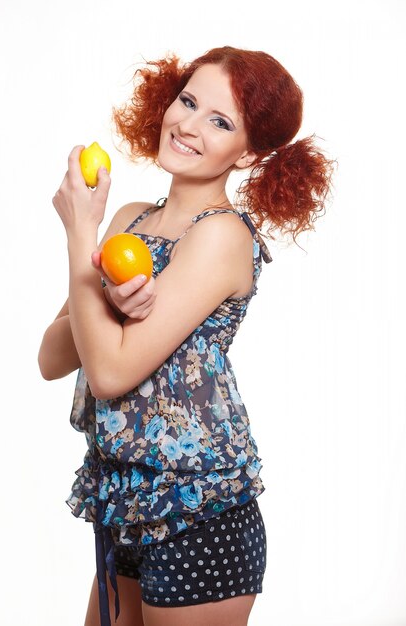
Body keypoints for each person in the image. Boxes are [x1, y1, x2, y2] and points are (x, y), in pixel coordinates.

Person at [38, 46, 333, 626]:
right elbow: (51, 358)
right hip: (125, 496)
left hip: (202, 509)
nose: (189, 126)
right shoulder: (129, 219)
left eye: (219, 121)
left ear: (248, 154)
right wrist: (103, 300)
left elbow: (111, 373)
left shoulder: (222, 235)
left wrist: (80, 234)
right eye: (189, 101)